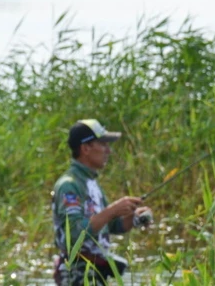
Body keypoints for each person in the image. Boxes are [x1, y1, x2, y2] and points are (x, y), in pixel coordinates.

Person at [51, 119, 153, 285]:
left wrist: (134, 218)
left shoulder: (91, 183)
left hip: (95, 272)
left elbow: (112, 226)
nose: (108, 150)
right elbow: (73, 235)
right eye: (103, 144)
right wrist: (112, 210)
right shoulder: (69, 185)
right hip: (78, 273)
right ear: (85, 148)